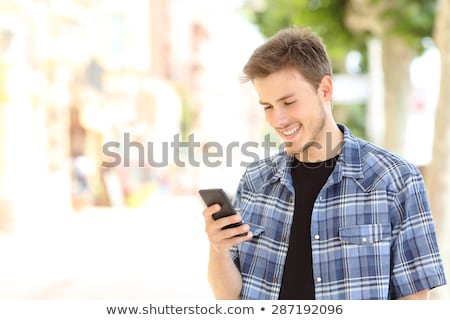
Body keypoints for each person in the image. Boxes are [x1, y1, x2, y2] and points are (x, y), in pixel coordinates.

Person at [202, 26, 447, 300]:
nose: (277, 120)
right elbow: (229, 299)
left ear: (325, 89)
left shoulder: (396, 180)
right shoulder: (255, 179)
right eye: (268, 106)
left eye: (288, 102)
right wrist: (218, 249)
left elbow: (414, 302)